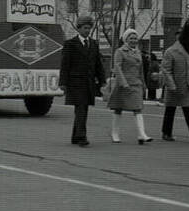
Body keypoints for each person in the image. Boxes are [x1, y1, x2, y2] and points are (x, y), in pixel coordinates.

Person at [58, 16, 106, 146]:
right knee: (81, 109)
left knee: (83, 109)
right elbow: (65, 65)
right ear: (78, 29)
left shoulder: (94, 44)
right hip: (75, 83)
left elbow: (98, 65)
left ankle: (75, 136)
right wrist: (62, 83)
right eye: (85, 28)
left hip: (89, 83)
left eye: (89, 28)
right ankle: (81, 136)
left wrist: (103, 81)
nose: (87, 30)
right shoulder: (70, 44)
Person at [108, 28, 151, 144]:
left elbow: (141, 70)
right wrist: (123, 83)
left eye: (135, 38)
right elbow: (117, 68)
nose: (134, 40)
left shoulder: (138, 52)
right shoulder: (120, 51)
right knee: (118, 108)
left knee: (138, 108)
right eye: (131, 38)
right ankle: (115, 134)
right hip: (123, 85)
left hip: (136, 84)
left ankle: (141, 134)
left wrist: (143, 84)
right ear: (126, 39)